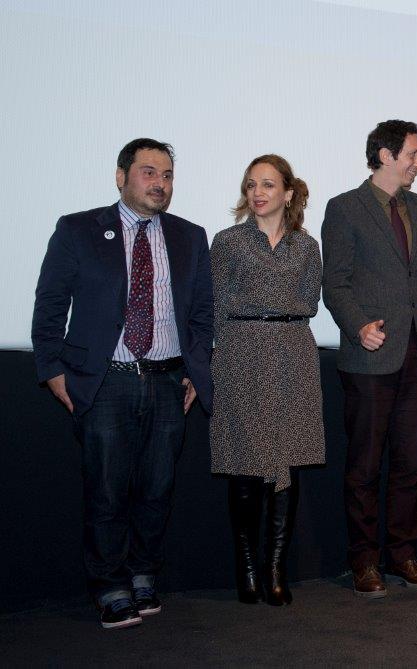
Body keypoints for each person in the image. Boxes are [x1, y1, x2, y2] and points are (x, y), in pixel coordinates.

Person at [31, 138, 213, 629]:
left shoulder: (190, 236)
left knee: (157, 490)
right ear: (121, 177)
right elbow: (50, 305)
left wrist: (198, 370)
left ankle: (143, 575)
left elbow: (200, 314)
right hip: (104, 383)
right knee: (107, 493)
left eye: (168, 175)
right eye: (149, 172)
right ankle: (109, 585)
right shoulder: (78, 230)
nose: (160, 183)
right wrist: (51, 371)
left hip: (167, 382)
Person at [322, 120, 417, 598]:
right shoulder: (344, 208)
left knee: (412, 462)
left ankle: (403, 555)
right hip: (369, 357)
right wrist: (358, 326)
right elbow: (336, 284)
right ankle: (364, 561)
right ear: (386, 155)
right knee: (365, 465)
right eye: (413, 153)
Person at [209, 154, 325, 605]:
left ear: (288, 193)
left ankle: (276, 568)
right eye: (251, 184)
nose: (257, 193)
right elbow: (217, 306)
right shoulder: (228, 242)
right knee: (246, 462)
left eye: (268, 185)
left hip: (293, 353)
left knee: (288, 460)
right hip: (241, 354)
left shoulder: (306, 246)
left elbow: (309, 301)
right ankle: (248, 567)